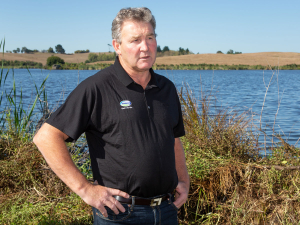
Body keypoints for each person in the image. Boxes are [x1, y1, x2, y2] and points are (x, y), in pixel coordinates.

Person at [33, 7, 189, 225]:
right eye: (135, 40)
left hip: (166, 211)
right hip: (120, 214)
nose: (145, 47)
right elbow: (46, 138)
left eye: (150, 37)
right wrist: (85, 189)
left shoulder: (167, 88)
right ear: (117, 46)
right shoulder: (96, 88)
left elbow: (172, 138)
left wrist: (183, 179)